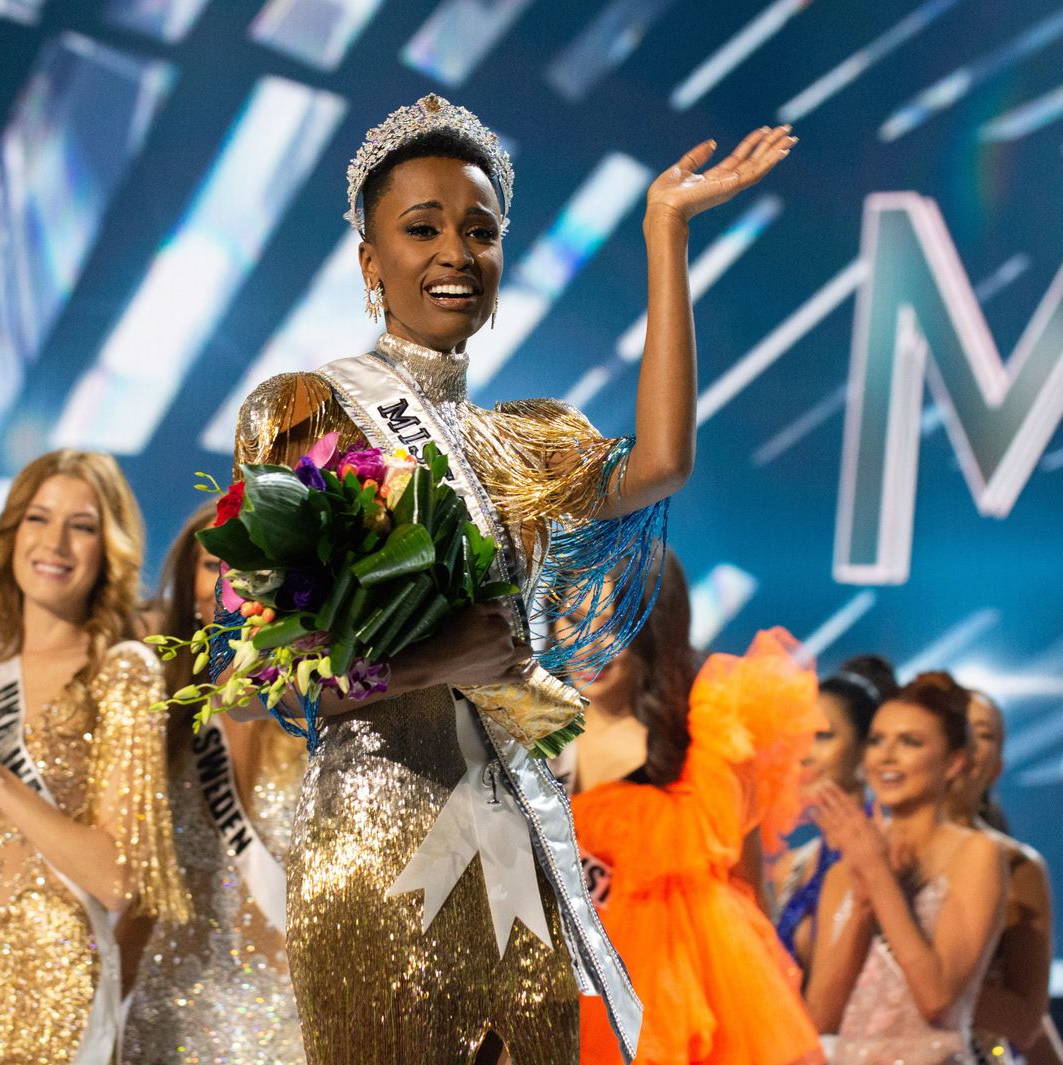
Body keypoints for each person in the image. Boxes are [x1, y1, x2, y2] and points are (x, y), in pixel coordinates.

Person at [229, 93, 793, 1063]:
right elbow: (278, 674)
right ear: (370, 262)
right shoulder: (310, 413)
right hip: (378, 849)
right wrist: (444, 658)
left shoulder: (524, 442)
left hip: (518, 848)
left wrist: (665, 231)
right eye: (422, 228)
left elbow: (659, 462)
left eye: (480, 231)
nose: (456, 251)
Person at [0, 450, 189, 1065]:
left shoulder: (122, 674)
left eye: (83, 526)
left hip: (51, 985)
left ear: (109, 549)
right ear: (12, 531)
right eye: (39, 519)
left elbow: (117, 877)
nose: (56, 544)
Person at [568, 550, 824, 1065]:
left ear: (652, 625)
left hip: (676, 982)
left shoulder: (704, 729)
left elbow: (748, 885)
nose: (589, 644)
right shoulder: (532, 733)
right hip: (555, 970)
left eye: (612, 623)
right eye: (574, 621)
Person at [122, 505, 307, 1063]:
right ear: (188, 584)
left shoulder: (318, 712)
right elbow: (138, 890)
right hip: (169, 1008)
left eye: (246, 563)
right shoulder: (160, 713)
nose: (228, 582)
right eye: (210, 565)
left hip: (292, 1017)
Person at [807, 674, 1009, 1065]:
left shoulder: (978, 854)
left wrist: (880, 880)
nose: (886, 756)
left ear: (954, 761)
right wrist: (864, 903)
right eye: (877, 740)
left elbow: (937, 1000)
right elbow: (819, 1018)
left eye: (910, 743)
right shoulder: (845, 867)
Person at [950, 692, 1063, 1065]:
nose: (968, 742)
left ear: (998, 765)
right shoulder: (873, 853)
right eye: (957, 726)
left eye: (983, 733)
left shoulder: (1016, 865)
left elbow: (1027, 1019)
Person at [770, 655, 898, 972]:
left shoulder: (896, 850)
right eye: (798, 736)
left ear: (866, 749)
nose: (803, 753)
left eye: (823, 736)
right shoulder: (792, 869)